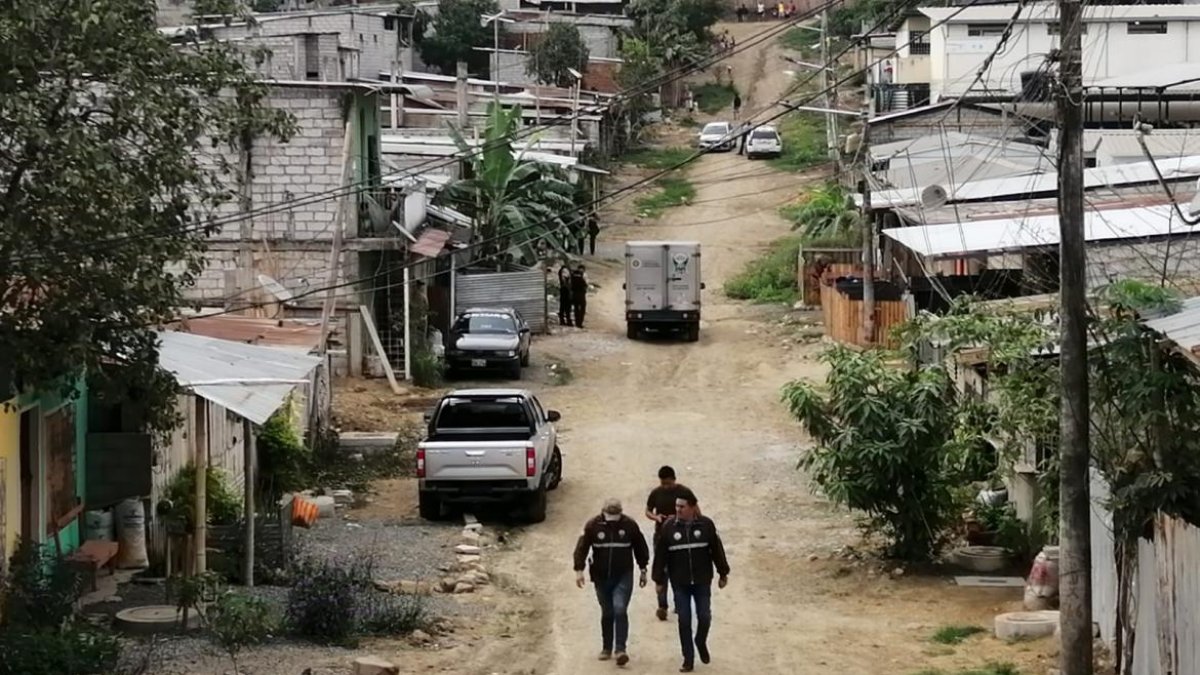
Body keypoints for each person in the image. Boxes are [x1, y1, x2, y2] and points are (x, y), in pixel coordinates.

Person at [653, 489, 730, 673]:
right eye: (676, 506)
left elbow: (716, 550)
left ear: (693, 507)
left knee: (705, 616)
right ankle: (688, 658)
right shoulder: (669, 527)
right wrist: (658, 580)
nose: (678, 510)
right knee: (684, 620)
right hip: (680, 582)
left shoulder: (706, 525)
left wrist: (723, 572)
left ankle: (700, 641)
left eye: (682, 506)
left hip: (702, 580)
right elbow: (661, 555)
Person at [574, 498, 650, 666]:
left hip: (623, 574)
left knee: (620, 608)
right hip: (601, 577)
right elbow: (582, 548)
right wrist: (579, 570)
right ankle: (606, 647)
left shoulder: (630, 526)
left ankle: (620, 649)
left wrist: (643, 569)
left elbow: (640, 547)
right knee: (607, 611)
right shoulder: (593, 526)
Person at [645, 466, 692, 621]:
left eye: (668, 483)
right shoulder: (656, 493)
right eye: (663, 483)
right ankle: (662, 605)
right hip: (661, 535)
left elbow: (696, 511)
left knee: (679, 570)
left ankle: (679, 603)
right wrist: (655, 517)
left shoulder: (684, 492)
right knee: (661, 569)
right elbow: (648, 510)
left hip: (680, 536)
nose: (665, 486)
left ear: (674, 479)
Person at [570, 263, 589, 329]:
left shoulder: (573, 275)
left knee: (576, 309)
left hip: (574, 294)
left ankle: (577, 322)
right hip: (581, 294)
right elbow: (586, 284)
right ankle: (580, 323)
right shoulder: (583, 276)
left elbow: (570, 284)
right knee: (582, 309)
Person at [558, 263, 574, 327]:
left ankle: (563, 320)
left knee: (563, 306)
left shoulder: (562, 270)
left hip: (564, 290)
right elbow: (565, 280)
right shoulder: (565, 270)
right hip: (565, 290)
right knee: (567, 306)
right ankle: (567, 320)